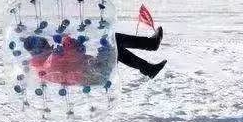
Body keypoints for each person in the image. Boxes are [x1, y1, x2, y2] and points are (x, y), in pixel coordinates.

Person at [22, 27, 166, 83]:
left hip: (93, 69)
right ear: (37, 50)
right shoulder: (43, 64)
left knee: (113, 46)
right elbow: (70, 58)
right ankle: (150, 46)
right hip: (93, 75)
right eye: (44, 44)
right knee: (113, 42)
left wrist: (68, 40)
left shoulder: (47, 57)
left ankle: (148, 66)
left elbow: (77, 53)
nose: (49, 45)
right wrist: (64, 46)